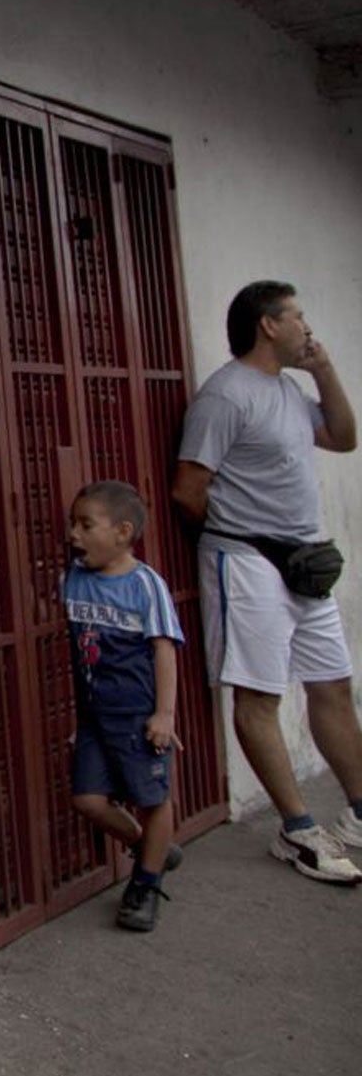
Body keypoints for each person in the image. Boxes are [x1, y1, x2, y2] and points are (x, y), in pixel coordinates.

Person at [172, 280, 362, 885]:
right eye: (298, 316)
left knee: (332, 685)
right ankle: (299, 830)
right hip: (249, 560)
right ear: (268, 325)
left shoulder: (283, 390)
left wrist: (324, 367)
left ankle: (359, 814)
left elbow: (342, 435)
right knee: (258, 696)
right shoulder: (225, 397)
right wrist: (240, 538)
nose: (308, 326)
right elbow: (188, 490)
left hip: (305, 561)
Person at [62, 481, 185, 932]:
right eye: (72, 523)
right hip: (94, 715)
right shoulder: (74, 577)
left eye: (86, 524)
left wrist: (164, 715)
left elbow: (164, 651)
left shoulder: (145, 585)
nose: (74, 534)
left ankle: (146, 885)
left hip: (138, 716)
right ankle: (152, 845)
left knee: (152, 799)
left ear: (123, 532)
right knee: (88, 799)